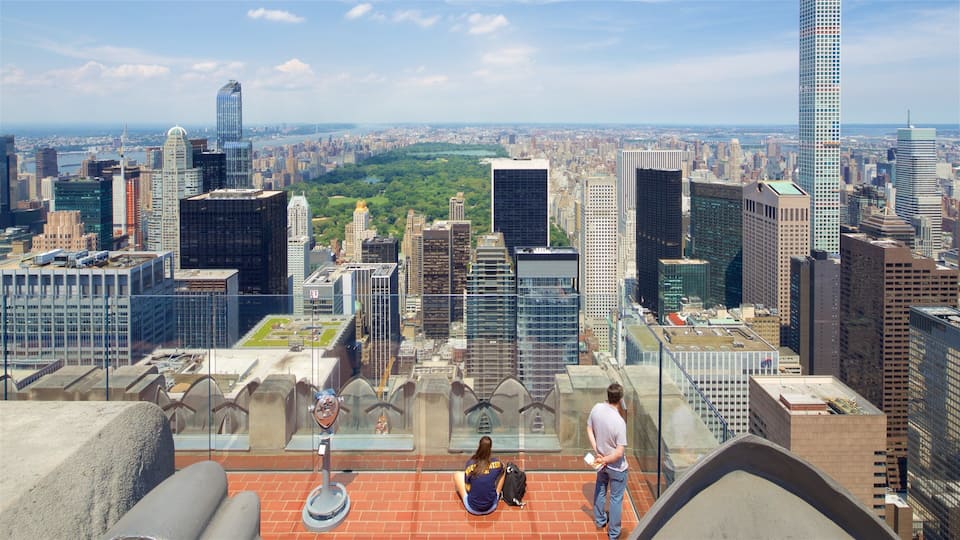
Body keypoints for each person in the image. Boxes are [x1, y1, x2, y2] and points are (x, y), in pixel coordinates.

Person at [587, 383, 628, 539]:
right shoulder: (619, 422)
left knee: (600, 488)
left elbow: (589, 428)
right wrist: (606, 459)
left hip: (600, 461)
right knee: (616, 498)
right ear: (620, 399)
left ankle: (599, 520)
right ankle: (614, 533)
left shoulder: (597, 408)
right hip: (616, 467)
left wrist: (597, 451)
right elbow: (619, 453)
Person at [453, 435, 504, 515]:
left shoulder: (470, 464)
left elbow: (468, 488)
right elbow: (502, 469)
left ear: (479, 447)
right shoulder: (497, 464)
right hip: (491, 506)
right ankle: (498, 493)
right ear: (490, 448)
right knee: (503, 472)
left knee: (457, 475)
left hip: (472, 508)